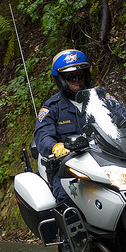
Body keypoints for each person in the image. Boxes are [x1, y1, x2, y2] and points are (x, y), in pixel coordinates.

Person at [34, 49, 92, 206]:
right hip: (68, 168)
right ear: (61, 79)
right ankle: (66, 230)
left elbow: (120, 113)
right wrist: (55, 147)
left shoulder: (98, 99)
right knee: (67, 197)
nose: (76, 80)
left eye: (79, 75)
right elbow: (42, 135)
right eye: (70, 77)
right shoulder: (52, 108)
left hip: (102, 161)